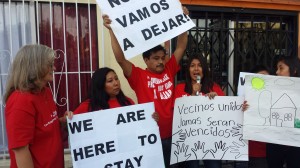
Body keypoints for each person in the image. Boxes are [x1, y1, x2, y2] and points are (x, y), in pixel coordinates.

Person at [102, 7, 188, 168]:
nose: (161, 62)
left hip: (175, 136)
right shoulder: (138, 76)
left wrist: (183, 21)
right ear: (146, 60)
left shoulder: (169, 69)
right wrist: (111, 31)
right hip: (151, 138)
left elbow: (181, 47)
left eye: (162, 58)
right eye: (156, 58)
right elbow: (120, 59)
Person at [4, 44, 64, 168]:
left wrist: (62, 122)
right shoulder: (20, 101)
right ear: (35, 66)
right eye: (49, 65)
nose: (54, 68)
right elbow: (21, 150)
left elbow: (42, 128)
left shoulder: (45, 91)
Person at [174, 55, 224, 168]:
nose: (196, 69)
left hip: (211, 140)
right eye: (192, 66)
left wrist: (217, 101)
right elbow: (178, 115)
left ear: (205, 69)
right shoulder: (180, 88)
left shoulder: (214, 87)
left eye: (200, 66)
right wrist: (192, 94)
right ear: (188, 70)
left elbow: (224, 115)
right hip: (188, 141)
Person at [266, 56, 300, 168]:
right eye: (277, 68)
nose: (277, 72)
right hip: (275, 140)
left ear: (294, 70)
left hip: (296, 142)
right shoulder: (270, 90)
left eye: (281, 68)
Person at [247, 65, 269, 168]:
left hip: (271, 152)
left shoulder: (277, 100)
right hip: (250, 152)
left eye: (266, 79)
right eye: (258, 79)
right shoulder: (244, 100)